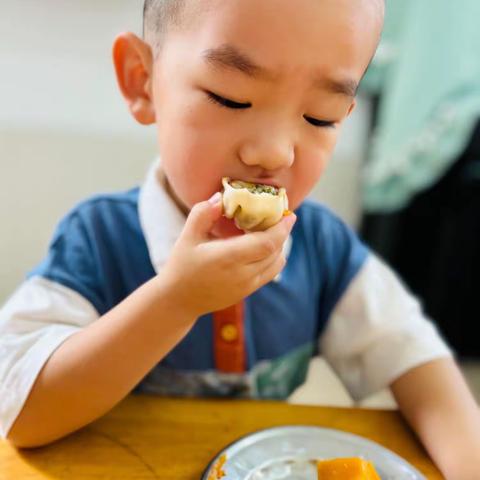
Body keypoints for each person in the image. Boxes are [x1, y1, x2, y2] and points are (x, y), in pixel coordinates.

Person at [1, 0, 479, 477]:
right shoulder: (99, 241)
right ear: (142, 80)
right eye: (232, 99)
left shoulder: (324, 251)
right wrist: (175, 301)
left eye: (320, 117)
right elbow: (19, 415)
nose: (273, 153)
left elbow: (428, 376)